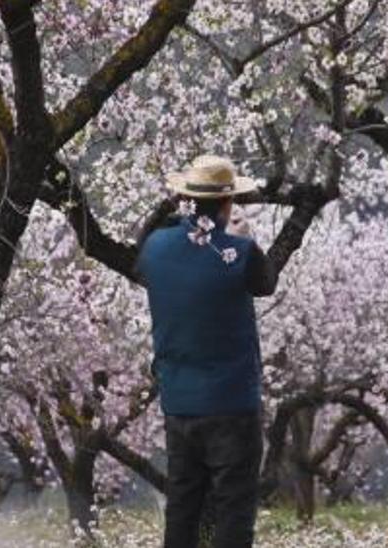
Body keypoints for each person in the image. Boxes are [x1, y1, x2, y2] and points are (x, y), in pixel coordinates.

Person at [136, 154, 277, 548]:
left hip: (179, 404)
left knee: (182, 508)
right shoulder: (239, 253)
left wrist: (167, 216)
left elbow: (140, 257)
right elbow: (265, 283)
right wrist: (245, 239)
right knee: (234, 511)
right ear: (228, 204)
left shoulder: (155, 248)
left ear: (186, 199)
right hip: (232, 402)